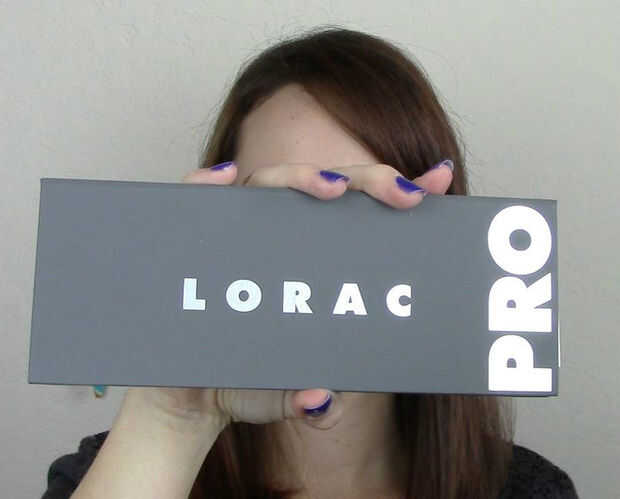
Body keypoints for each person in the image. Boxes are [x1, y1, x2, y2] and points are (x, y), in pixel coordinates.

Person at [41, 27, 578, 499]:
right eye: (283, 211)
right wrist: (174, 416)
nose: (320, 263)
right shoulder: (110, 472)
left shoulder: (525, 489)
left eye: (362, 211)